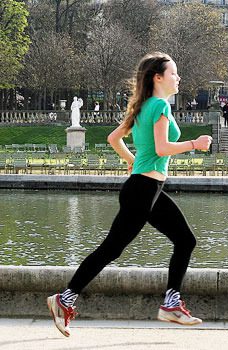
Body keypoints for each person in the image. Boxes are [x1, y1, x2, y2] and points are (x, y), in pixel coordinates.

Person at [47, 52, 212, 338]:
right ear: (157, 78)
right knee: (112, 248)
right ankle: (66, 298)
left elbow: (114, 138)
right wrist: (194, 144)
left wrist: (132, 160)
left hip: (146, 189)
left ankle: (171, 303)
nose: (178, 78)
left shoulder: (142, 105)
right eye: (173, 73)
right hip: (143, 190)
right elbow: (162, 148)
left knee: (184, 240)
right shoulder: (159, 105)